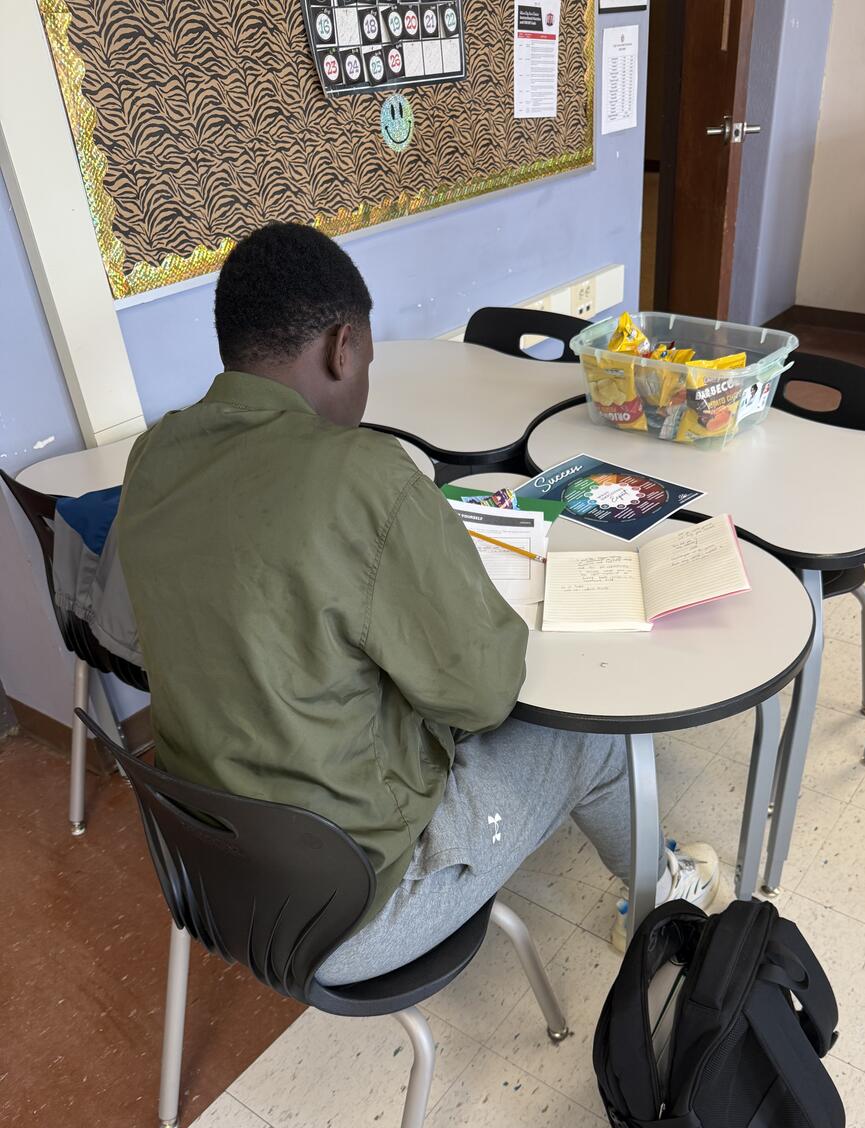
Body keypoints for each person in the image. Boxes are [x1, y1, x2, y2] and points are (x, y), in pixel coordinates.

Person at [118, 223, 719, 982]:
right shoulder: (360, 474)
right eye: (367, 362)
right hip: (347, 916)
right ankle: (663, 895)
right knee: (594, 739)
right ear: (343, 347)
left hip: (210, 881)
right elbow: (486, 694)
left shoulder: (152, 454)